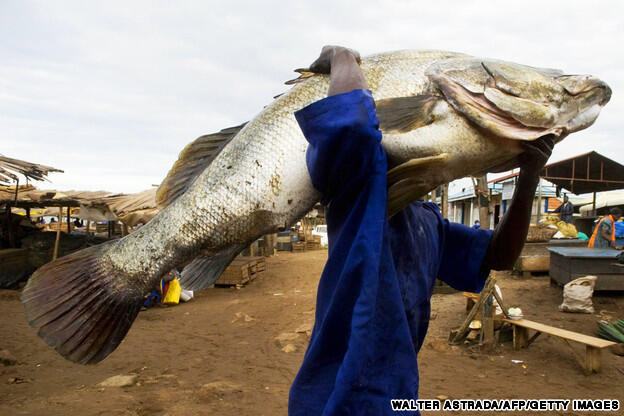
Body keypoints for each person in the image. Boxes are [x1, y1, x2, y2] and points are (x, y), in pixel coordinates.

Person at [288, 46, 554, 415]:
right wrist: (340, 57)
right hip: (336, 397)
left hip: (398, 396)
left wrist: (529, 177)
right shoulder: (359, 194)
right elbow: (352, 129)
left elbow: (500, 255)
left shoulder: (428, 222)